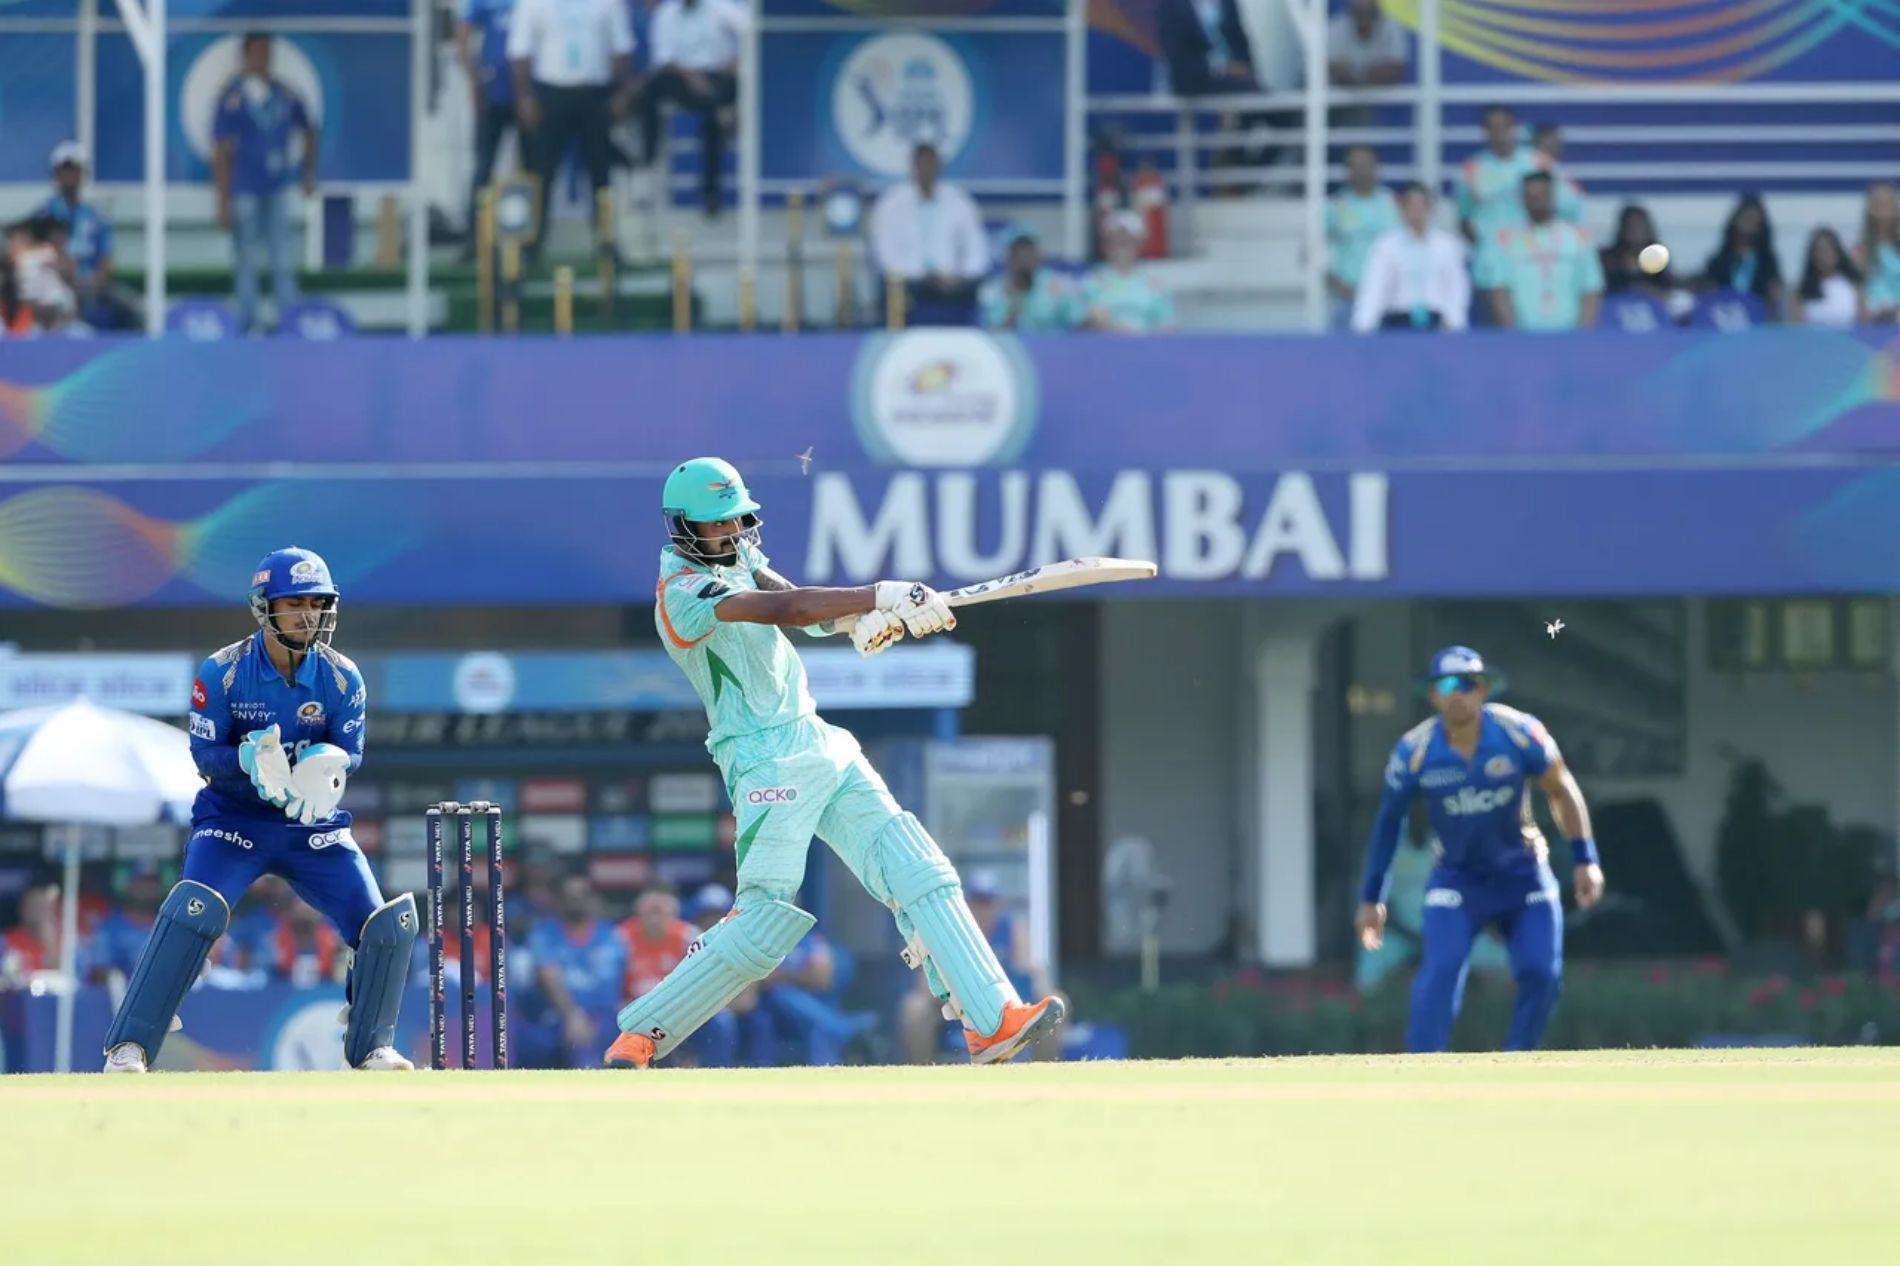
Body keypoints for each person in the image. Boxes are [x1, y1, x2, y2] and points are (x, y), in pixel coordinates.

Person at [603, 457, 1065, 1069]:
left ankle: (992, 1021)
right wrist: (883, 593)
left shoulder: (738, 560)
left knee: (917, 868)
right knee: (765, 918)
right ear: (684, 529)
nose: (734, 534)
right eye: (719, 526)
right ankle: (641, 1034)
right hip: (763, 758)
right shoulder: (683, 593)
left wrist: (867, 622)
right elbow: (785, 612)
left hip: (816, 738)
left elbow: (801, 608)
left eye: (739, 521)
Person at [101, 547, 415, 1073]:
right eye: (295, 602)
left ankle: (372, 1047)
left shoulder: (342, 678)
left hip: (307, 821)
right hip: (233, 819)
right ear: (264, 606)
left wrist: (327, 762)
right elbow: (204, 754)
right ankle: (129, 1045)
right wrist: (247, 760)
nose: (308, 615)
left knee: (383, 922)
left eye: (318, 603)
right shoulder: (223, 672)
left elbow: (351, 751)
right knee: (193, 910)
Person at [1356, 647, 1605, 1052]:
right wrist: (1372, 899)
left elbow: (1562, 791)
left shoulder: (1519, 732)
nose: (1458, 695)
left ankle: (1516, 1063)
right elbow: (1389, 822)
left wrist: (1586, 860)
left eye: (1468, 685)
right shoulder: (1414, 750)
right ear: (1433, 696)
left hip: (1523, 874)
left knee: (1541, 972)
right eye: (1447, 686)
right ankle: (1422, 1070)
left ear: (1483, 689)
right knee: (1441, 968)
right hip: (1458, 878)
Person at [508, 0, 637, 261]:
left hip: (594, 93)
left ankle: (606, 240)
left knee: (600, 172)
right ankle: (532, 243)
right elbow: (520, 50)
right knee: (542, 170)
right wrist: (524, 96)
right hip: (551, 92)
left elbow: (621, 48)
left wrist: (623, 93)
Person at [213, 34, 318, 333]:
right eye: (258, 52)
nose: (264, 58)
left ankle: (289, 320)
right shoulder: (232, 97)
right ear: (245, 56)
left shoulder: (284, 94)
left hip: (278, 186)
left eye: (268, 52)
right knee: (246, 257)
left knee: (283, 256)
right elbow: (220, 150)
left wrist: (308, 173)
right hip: (244, 188)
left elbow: (309, 129)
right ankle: (249, 322)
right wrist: (222, 199)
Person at [638, 0, 748, 217]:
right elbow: (664, 60)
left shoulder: (720, 7)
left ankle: (711, 194)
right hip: (682, 80)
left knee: (714, 111)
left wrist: (737, 60)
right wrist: (692, 77)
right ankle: (647, 164)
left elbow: (754, 28)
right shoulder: (666, 14)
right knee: (651, 90)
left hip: (718, 78)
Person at [869, 143, 990, 326]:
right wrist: (923, 276)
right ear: (913, 167)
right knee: (894, 289)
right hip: (910, 284)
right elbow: (885, 256)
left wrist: (959, 277)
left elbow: (977, 251)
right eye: (922, 164)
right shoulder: (890, 204)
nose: (927, 170)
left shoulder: (960, 202)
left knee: (974, 291)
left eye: (931, 164)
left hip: (952, 285)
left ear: (939, 167)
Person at [1475, 171, 1603, 331]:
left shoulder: (1579, 238)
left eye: (1541, 195)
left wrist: (1581, 337)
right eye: (1531, 196)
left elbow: (1590, 289)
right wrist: (1513, 335)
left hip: (1570, 337)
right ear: (1522, 199)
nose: (1536, 201)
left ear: (1552, 196)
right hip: (1523, 338)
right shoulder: (1505, 240)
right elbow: (1499, 290)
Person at [1350, 182, 1468, 333]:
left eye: (1421, 206)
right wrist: (1362, 328)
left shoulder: (1447, 246)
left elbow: (1456, 288)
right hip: (1398, 323)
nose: (1416, 212)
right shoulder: (1386, 246)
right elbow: (1374, 289)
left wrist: (1456, 324)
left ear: (1431, 209)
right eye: (1411, 206)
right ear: (1402, 209)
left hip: (1436, 323)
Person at [39, 142, 130, 329]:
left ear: (83, 175)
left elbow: (106, 260)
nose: (69, 176)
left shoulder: (96, 218)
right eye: (65, 170)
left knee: (132, 309)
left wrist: (92, 284)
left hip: (92, 288)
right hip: (55, 289)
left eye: (74, 170)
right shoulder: (44, 216)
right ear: (55, 175)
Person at [456, 0, 520, 259]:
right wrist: (474, 81)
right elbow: (463, 39)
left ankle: (528, 241)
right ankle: (475, 239)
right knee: (483, 168)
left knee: (534, 168)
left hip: (528, 92)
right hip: (491, 92)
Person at [1325, 146, 1400, 326]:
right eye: (1355, 166)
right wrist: (1335, 284)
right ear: (1348, 171)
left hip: (1388, 299)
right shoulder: (1336, 206)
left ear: (1377, 168)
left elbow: (1404, 247)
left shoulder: (1392, 203)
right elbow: (1313, 249)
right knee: (1343, 353)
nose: (1361, 171)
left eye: (1366, 165)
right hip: (1348, 297)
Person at [1081, 211, 1175, 333]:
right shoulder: (1091, 282)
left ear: (1140, 244)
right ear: (1105, 245)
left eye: (1127, 242)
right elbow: (1081, 325)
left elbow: (1166, 327)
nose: (1120, 247)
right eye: (1115, 241)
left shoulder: (1155, 285)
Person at [978, 225, 1077, 332]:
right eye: (1018, 252)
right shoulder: (992, 291)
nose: (1025, 257)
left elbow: (1080, 324)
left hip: (1056, 346)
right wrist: (1015, 302)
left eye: (1029, 250)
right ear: (1008, 258)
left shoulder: (1057, 284)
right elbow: (993, 335)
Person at [1700, 193, 1784, 314]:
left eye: (1754, 221)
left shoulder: (1768, 262)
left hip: (1758, 323)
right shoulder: (1718, 261)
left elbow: (1773, 298)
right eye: (1746, 218)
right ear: (1735, 220)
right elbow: (1709, 295)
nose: (1749, 224)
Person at [1791, 226, 1865, 328]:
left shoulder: (1853, 285)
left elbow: (1864, 322)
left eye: (1827, 250)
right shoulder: (1801, 291)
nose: (1822, 256)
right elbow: (1796, 328)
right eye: (1817, 251)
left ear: (1837, 253)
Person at [1854, 182, 1900, 323]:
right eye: (1878, 203)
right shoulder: (1861, 249)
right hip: (1872, 317)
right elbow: (1858, 287)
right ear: (1870, 209)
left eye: (1887, 203)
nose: (1883, 209)